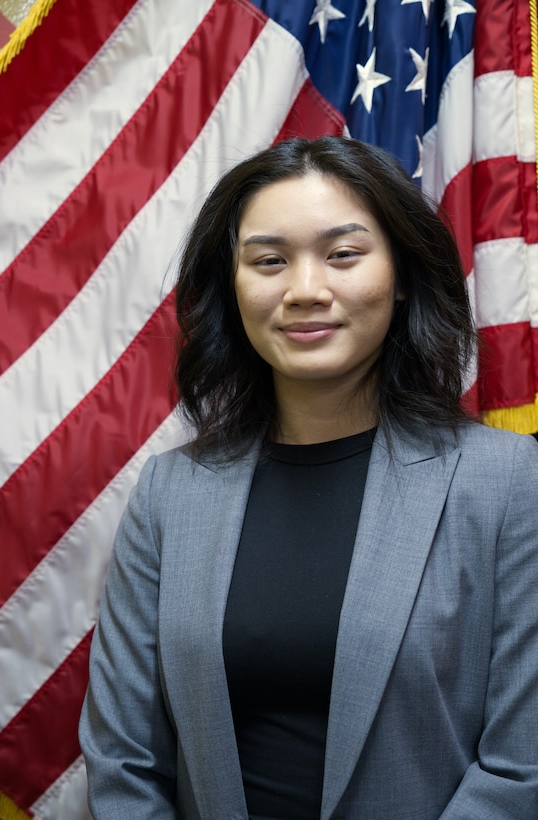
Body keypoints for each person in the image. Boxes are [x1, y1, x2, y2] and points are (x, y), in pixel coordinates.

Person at [79, 137, 538, 819]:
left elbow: (518, 769)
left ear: (404, 273)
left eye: (343, 255)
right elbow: (123, 762)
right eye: (269, 261)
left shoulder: (505, 482)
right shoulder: (169, 492)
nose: (304, 290)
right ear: (231, 288)